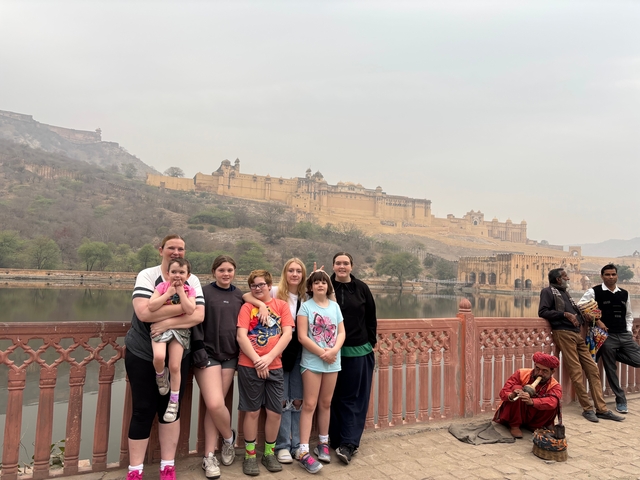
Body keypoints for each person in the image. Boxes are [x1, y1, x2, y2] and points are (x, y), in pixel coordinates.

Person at [124, 235, 205, 480]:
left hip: (177, 349)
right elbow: (144, 313)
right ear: (161, 250)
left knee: (171, 409)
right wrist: (181, 308)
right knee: (143, 409)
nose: (176, 252)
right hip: (142, 351)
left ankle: (167, 465)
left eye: (181, 248)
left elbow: (199, 316)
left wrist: (166, 319)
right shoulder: (148, 276)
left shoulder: (192, 279)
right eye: (171, 247)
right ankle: (135, 469)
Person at [538, 268, 623, 423]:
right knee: (576, 372)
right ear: (558, 279)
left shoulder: (565, 293)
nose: (568, 279)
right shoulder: (548, 292)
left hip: (576, 335)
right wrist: (565, 314)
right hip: (562, 333)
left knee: (592, 369)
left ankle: (602, 409)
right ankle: (587, 408)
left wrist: (586, 316)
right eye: (565, 277)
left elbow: (576, 314)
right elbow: (543, 311)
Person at [243, 258, 307, 465]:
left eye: (299, 271)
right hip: (262, 358)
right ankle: (266, 450)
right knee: (264, 407)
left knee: (290, 402)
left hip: (293, 353)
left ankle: (289, 446)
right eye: (291, 270)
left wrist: (269, 358)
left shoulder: (305, 295)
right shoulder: (273, 293)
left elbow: (289, 332)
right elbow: (247, 294)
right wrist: (260, 304)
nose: (295, 274)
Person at [236, 269, 294, 476]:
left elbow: (287, 334)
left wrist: (268, 359)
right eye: (254, 286)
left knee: (274, 411)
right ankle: (250, 455)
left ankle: (269, 453)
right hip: (249, 365)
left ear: (270, 286)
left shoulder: (281, 306)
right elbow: (241, 336)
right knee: (251, 411)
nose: (258, 288)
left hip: (275, 365)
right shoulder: (246, 307)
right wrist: (257, 361)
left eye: (261, 285)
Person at [192, 255, 244, 479]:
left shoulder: (240, 295)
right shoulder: (203, 292)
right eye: (222, 270)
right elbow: (193, 320)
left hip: (231, 356)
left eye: (230, 270)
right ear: (214, 271)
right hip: (207, 354)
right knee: (214, 404)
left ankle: (209, 456)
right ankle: (229, 438)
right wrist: (198, 347)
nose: (226, 274)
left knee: (216, 407)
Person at [328, 252, 377, 465]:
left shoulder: (361, 289)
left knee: (354, 399)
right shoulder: (324, 286)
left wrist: (370, 342)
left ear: (351, 266)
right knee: (332, 398)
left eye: (345, 263)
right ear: (333, 266)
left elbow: (371, 318)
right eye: (338, 263)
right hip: (328, 354)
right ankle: (335, 438)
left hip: (357, 352)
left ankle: (349, 443)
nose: (342, 266)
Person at [297, 270, 345, 473]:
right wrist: (322, 353)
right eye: (316, 282)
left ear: (328, 286)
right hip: (312, 363)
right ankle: (303, 450)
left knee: (326, 403)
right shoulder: (305, 307)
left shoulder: (335, 306)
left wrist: (333, 351)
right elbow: (302, 336)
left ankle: (323, 442)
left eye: (323, 282)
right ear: (310, 287)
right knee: (309, 404)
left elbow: (342, 332)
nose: (320, 285)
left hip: (333, 361)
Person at [580, 264, 640, 414]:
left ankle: (611, 355)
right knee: (610, 369)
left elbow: (628, 315)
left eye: (613, 274)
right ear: (602, 276)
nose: (610, 277)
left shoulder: (624, 293)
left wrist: (628, 331)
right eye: (607, 274)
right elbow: (580, 306)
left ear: (617, 275)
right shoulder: (594, 291)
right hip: (606, 336)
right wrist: (598, 320)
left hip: (624, 335)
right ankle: (621, 399)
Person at [148, 257, 197, 423]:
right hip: (159, 327)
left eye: (181, 272)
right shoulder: (162, 287)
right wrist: (168, 294)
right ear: (167, 273)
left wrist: (181, 292)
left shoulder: (190, 290)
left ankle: (173, 402)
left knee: (175, 366)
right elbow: (152, 306)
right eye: (174, 272)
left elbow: (190, 310)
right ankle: (161, 376)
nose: (177, 275)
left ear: (188, 275)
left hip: (180, 330)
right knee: (159, 357)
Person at [493, 352, 562, 438]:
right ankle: (514, 425)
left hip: (535, 414)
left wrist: (532, 401)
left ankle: (535, 425)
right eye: (537, 368)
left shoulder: (555, 385)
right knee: (517, 388)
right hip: (519, 410)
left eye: (544, 371)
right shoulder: (521, 373)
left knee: (554, 401)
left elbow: (553, 402)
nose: (540, 373)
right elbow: (503, 392)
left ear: (552, 372)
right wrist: (512, 395)